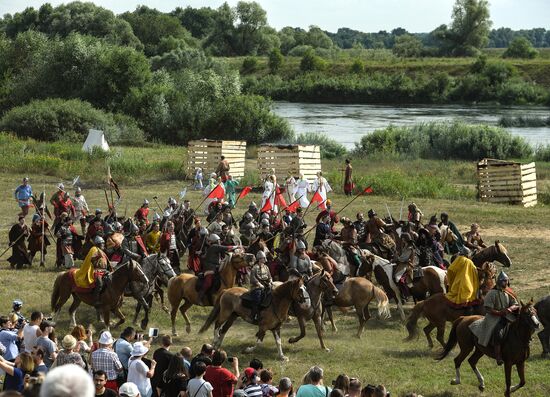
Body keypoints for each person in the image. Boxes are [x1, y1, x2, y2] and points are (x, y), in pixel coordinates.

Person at [469, 271, 519, 365]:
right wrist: (499, 313)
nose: (505, 283)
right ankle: (498, 356)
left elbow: (515, 304)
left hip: (508, 316)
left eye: (506, 281)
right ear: (499, 282)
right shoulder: (491, 293)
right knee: (498, 333)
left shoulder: (508, 292)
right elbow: (488, 309)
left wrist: (510, 309)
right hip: (494, 318)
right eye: (504, 281)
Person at [199, 234, 240, 305]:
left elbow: (226, 252)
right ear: (215, 241)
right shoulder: (214, 247)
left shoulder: (215, 247)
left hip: (216, 267)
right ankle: (200, 296)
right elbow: (226, 248)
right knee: (208, 281)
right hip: (210, 268)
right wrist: (236, 246)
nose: (219, 242)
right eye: (218, 241)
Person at [74, 236, 110, 308]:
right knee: (99, 283)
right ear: (98, 244)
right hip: (96, 270)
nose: (103, 245)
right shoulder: (94, 249)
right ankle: (95, 300)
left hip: (105, 271)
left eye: (103, 243)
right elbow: (91, 259)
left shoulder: (101, 251)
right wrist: (97, 257)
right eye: (101, 244)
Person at [249, 251, 273, 324]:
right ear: (259, 259)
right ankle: (254, 315)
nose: (265, 259)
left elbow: (269, 276)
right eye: (263, 258)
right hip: (256, 287)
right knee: (258, 298)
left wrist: (270, 282)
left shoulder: (266, 267)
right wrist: (259, 284)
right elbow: (253, 278)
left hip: (266, 285)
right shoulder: (254, 268)